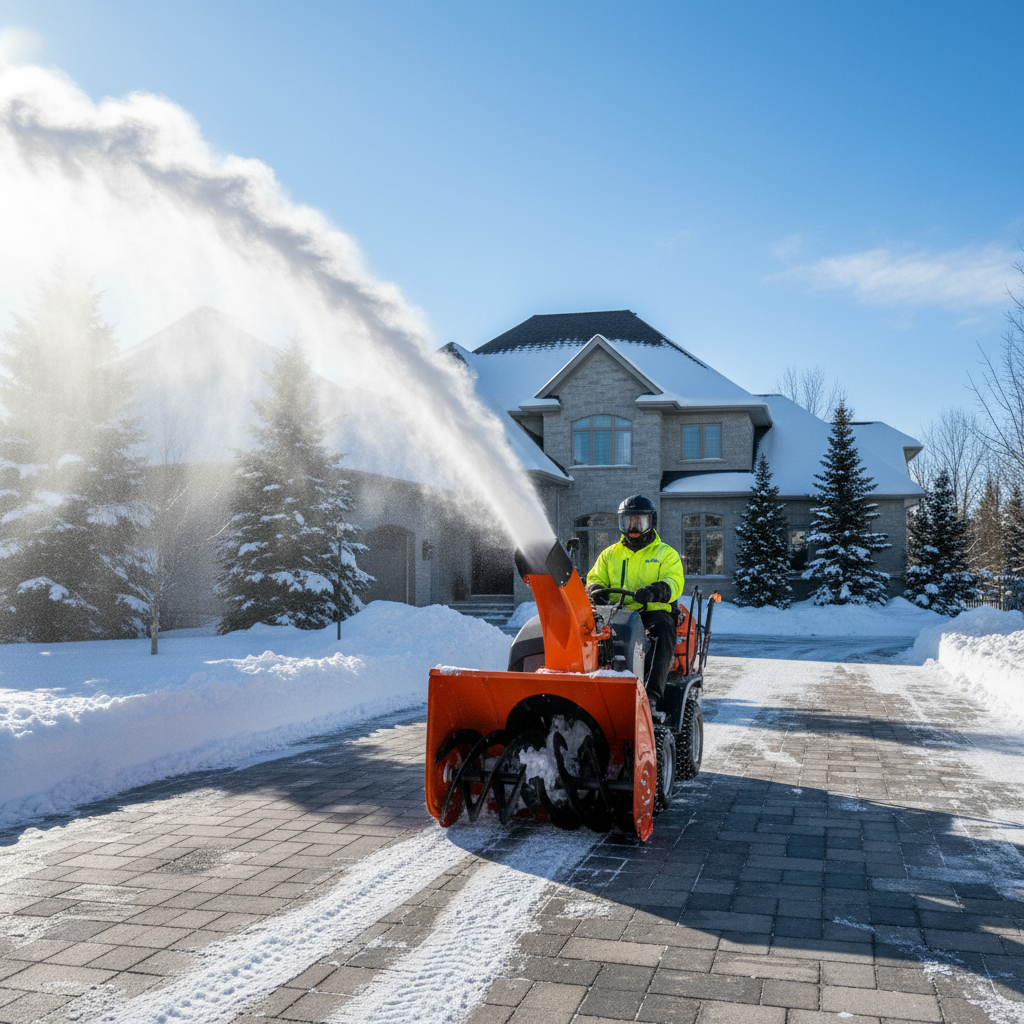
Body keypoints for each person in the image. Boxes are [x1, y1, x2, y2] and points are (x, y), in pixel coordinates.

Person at [585, 494, 685, 706]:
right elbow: (594, 578)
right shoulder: (609, 554)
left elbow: (674, 581)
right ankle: (585, 683)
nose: (633, 527)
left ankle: (652, 695)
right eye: (628, 521)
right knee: (585, 629)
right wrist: (596, 589)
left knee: (663, 629)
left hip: (651, 612)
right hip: (614, 612)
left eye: (639, 521)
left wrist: (654, 591)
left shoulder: (666, 554)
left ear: (651, 522)